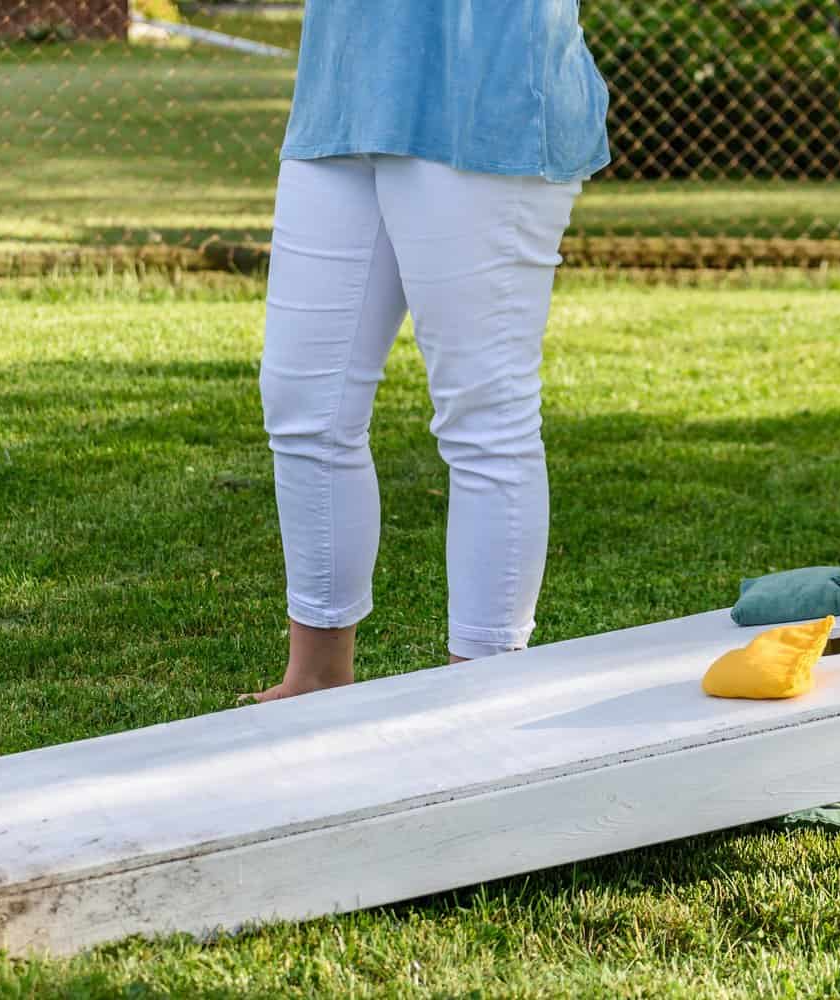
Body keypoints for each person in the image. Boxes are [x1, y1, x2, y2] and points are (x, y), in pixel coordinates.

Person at [245, 1, 611, 702]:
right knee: (303, 406)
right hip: (344, 93)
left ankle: (479, 700)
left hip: (484, 97)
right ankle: (316, 680)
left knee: (483, 415)